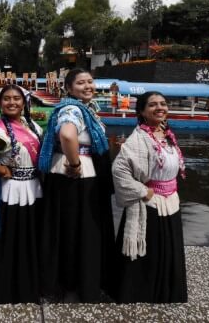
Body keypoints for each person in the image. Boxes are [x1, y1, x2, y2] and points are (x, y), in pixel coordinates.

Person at [37, 68, 115, 303]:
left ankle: (75, 282)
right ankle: (73, 285)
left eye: (90, 81)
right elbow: (68, 135)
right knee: (77, 232)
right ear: (69, 88)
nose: (88, 86)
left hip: (79, 178)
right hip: (76, 178)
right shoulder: (72, 109)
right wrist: (75, 163)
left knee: (75, 231)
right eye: (81, 83)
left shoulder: (87, 110)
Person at [110, 91, 188, 303]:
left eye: (163, 103)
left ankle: (166, 291)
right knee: (149, 252)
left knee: (167, 249)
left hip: (170, 200)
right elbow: (119, 170)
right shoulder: (138, 138)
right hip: (150, 203)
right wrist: (142, 191)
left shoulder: (165, 132)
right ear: (142, 112)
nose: (159, 108)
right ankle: (142, 293)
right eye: (152, 105)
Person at [0, 85, 43, 304]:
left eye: (16, 99)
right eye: (7, 99)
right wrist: (2, 169)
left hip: (33, 188)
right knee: (13, 241)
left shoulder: (30, 125)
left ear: (24, 102)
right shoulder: (0, 130)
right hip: (14, 191)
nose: (12, 103)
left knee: (28, 239)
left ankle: (29, 285)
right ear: (0, 103)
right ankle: (9, 290)